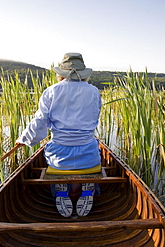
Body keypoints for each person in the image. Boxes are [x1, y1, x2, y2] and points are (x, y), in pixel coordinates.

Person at [16, 52, 102, 217]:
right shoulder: (94, 92)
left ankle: (61, 191)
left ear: (61, 74)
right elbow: (94, 118)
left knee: (54, 154)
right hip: (89, 155)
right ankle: (88, 190)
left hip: (59, 158)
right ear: (83, 74)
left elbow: (40, 121)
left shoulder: (51, 91)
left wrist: (24, 139)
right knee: (93, 148)